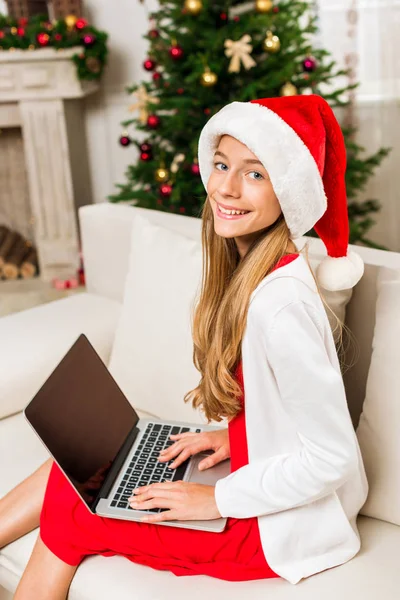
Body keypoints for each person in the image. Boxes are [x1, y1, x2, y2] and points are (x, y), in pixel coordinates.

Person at [0, 94, 369, 598]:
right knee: (79, 465)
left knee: (73, 505)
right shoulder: (257, 274)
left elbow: (332, 457)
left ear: (287, 189)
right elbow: (284, 413)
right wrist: (234, 440)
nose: (227, 187)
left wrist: (213, 501)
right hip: (256, 479)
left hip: (273, 531)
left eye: (255, 174)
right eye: (222, 165)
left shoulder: (278, 308)